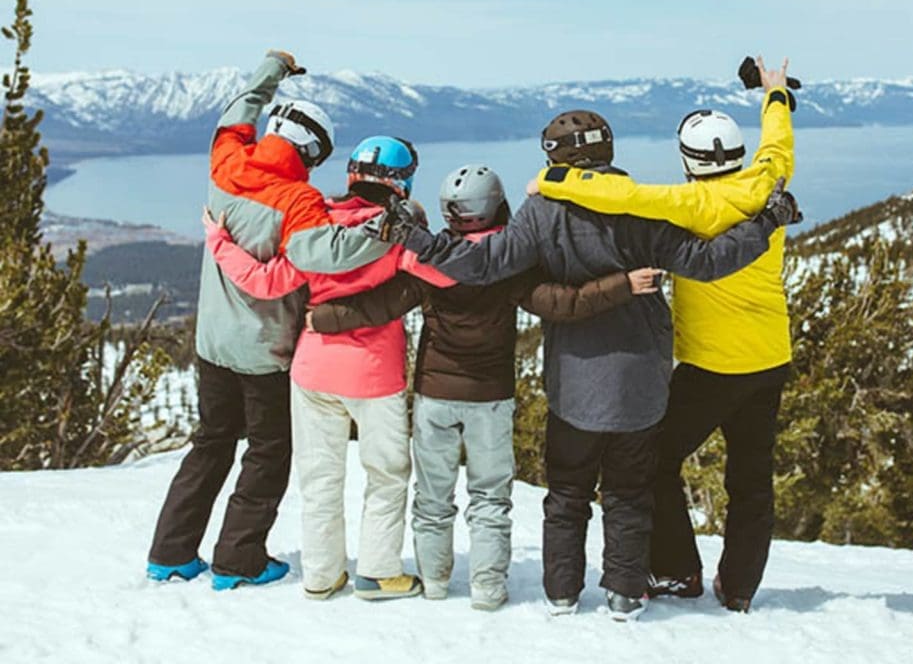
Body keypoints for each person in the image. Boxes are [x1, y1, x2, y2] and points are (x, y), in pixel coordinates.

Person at [368, 114, 801, 621]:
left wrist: (415, 238)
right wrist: (767, 222)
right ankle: (623, 594)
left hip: (574, 379)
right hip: (640, 380)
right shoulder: (640, 206)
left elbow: (483, 265)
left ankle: (561, 592)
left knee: (567, 494)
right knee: (629, 494)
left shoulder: (541, 212)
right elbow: (708, 262)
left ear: (554, 158)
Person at [306, 164, 662, 612]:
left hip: (435, 395)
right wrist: (621, 285)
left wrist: (322, 318)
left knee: (433, 496)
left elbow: (379, 305)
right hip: (490, 397)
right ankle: (488, 588)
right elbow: (563, 304)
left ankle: (435, 581)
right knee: (490, 497)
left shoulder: (427, 261)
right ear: (497, 206)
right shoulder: (510, 265)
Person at [532, 57, 797, 611]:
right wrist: (774, 95)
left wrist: (554, 177)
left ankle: (677, 570)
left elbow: (620, 196)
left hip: (709, 369)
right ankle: (740, 587)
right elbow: (778, 142)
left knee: (653, 462)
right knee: (751, 478)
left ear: (687, 159)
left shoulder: (690, 204)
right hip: (770, 359)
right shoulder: (770, 181)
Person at [146, 50, 392, 591]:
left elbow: (235, 112)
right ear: (310, 150)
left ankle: (170, 553)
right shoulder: (298, 199)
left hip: (211, 341)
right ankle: (239, 558)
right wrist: (381, 233)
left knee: (211, 441)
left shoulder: (225, 163)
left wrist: (271, 70)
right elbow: (317, 255)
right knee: (268, 450)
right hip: (264, 350)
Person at [202, 136, 453, 601]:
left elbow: (265, 280)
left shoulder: (316, 227)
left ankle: (321, 575)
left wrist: (219, 241)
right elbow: (450, 272)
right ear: (404, 182)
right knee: (386, 474)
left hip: (312, 370)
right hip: (374, 375)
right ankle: (377, 573)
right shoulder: (396, 235)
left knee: (320, 477)